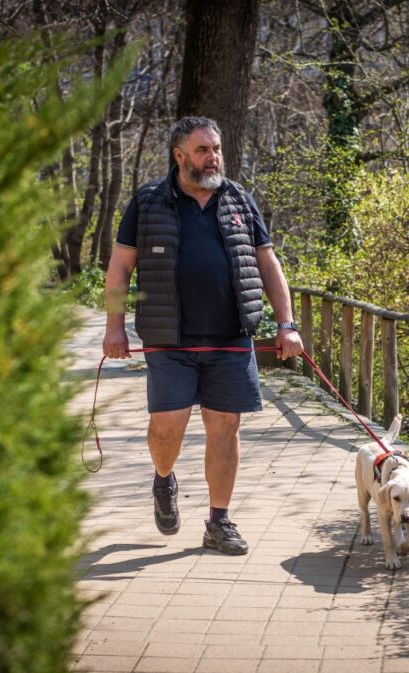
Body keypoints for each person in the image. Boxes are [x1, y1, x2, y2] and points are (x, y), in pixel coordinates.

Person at [101, 116, 303, 555]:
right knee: (167, 426)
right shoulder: (148, 202)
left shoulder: (239, 199)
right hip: (169, 339)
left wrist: (286, 324)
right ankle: (163, 479)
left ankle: (219, 521)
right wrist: (114, 327)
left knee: (226, 426)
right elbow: (119, 267)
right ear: (179, 156)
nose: (213, 157)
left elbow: (268, 264)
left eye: (217, 148)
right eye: (203, 150)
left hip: (231, 337)